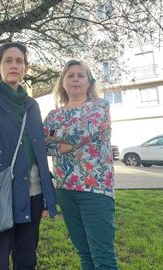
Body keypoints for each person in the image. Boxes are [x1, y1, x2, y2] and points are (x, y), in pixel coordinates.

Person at [0, 42, 57, 270]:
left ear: (25, 69)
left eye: (19, 61)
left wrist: (46, 194)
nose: (14, 65)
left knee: (27, 261)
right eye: (8, 60)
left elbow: (38, 152)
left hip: (32, 195)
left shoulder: (32, 106)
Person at [43, 60, 119, 270]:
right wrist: (64, 145)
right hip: (65, 190)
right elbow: (40, 145)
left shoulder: (99, 106)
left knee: (103, 256)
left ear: (89, 82)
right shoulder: (53, 114)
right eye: (70, 75)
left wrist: (56, 138)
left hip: (95, 189)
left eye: (80, 75)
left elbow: (81, 134)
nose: (75, 79)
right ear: (63, 82)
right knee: (84, 253)